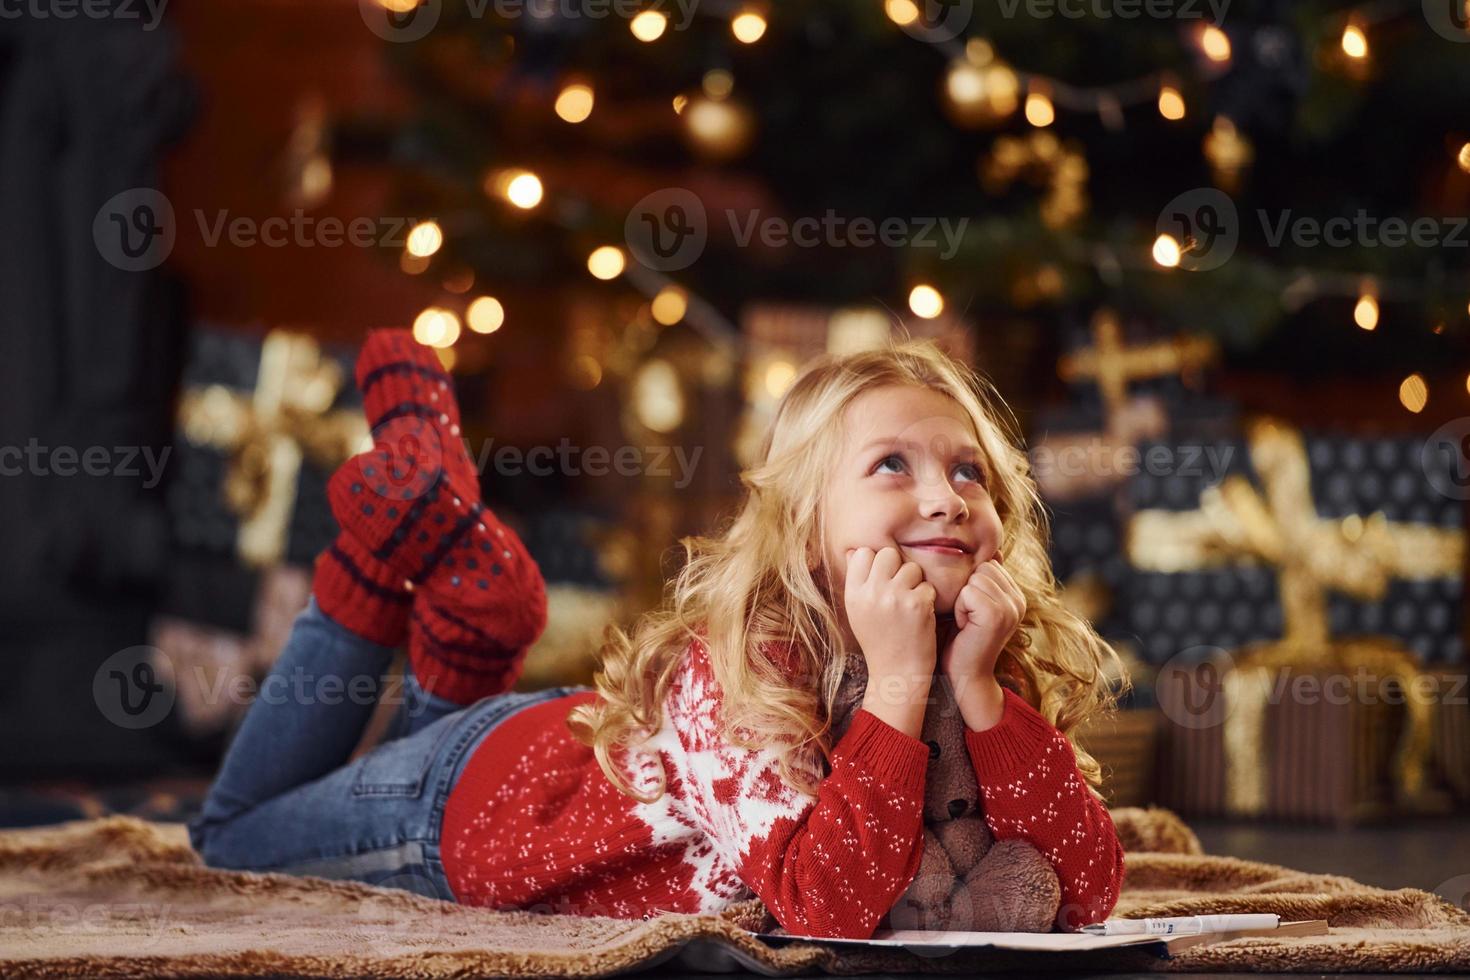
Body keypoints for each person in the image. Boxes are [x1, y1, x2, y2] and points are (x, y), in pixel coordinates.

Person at [189, 330, 1127, 941]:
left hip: (552, 750)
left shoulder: (978, 653)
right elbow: (825, 908)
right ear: (803, 527)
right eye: (893, 464)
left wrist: (980, 696)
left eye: (971, 473)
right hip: (471, 814)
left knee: (317, 794)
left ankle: (473, 626)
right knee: (226, 844)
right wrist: (893, 687)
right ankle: (366, 580)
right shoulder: (743, 668)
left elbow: (1082, 890)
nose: (945, 498)